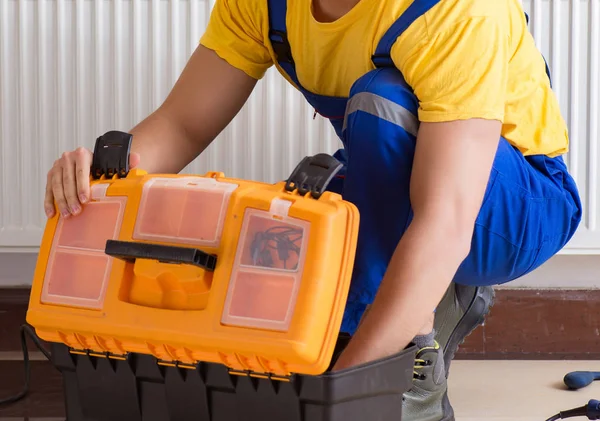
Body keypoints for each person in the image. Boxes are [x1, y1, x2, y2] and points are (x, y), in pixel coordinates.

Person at [43, 0, 582, 419]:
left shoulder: (452, 11)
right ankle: (397, 312)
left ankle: (419, 353)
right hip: (410, 178)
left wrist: (341, 391)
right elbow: (182, 124)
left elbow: (445, 221)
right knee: (296, 217)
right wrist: (101, 174)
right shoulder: (267, 8)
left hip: (516, 206)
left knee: (383, 100)